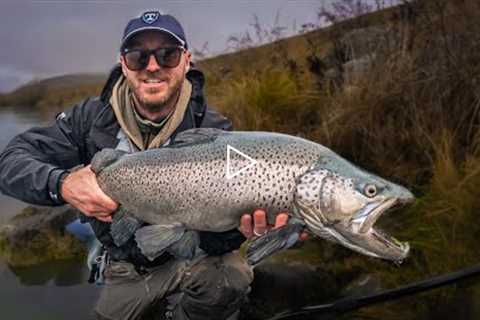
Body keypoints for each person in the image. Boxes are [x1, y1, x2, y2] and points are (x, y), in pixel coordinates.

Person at [0, 10, 297, 320]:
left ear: (186, 60)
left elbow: (223, 240)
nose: (152, 66)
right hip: (126, 269)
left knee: (230, 279)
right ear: (123, 64)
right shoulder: (89, 118)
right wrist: (62, 184)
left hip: (194, 259)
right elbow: (10, 161)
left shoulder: (215, 130)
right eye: (138, 56)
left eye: (167, 55)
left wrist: (240, 225)